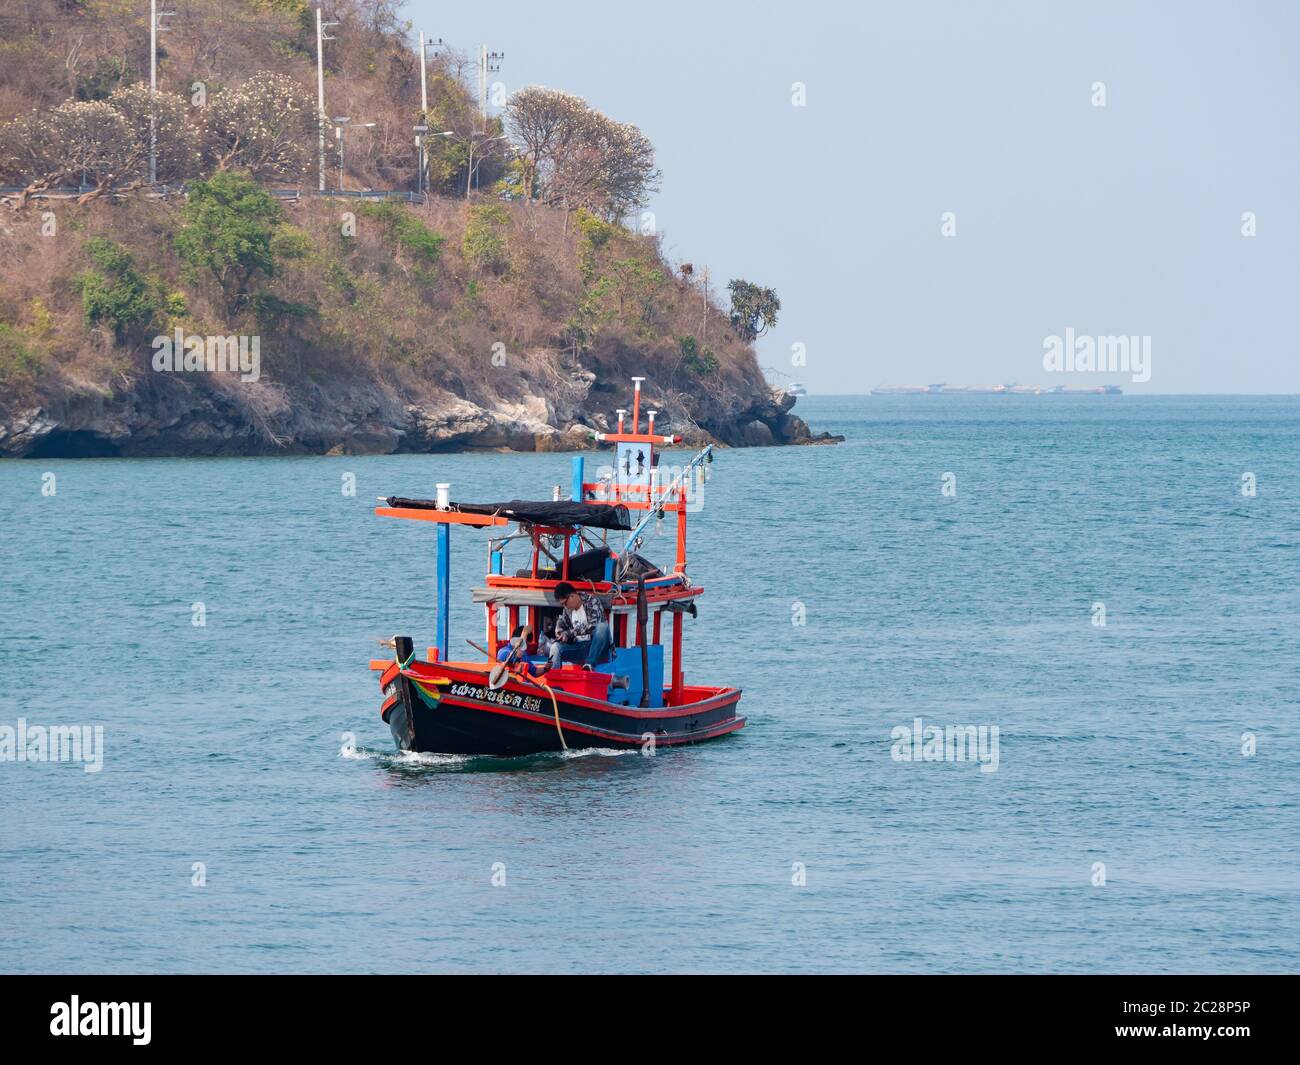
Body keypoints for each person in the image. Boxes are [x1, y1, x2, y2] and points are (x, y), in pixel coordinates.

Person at [548, 582, 612, 669]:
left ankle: (589, 665)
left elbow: (593, 626)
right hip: (579, 648)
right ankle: (554, 677)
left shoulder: (592, 601)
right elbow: (562, 625)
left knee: (602, 627)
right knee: (555, 647)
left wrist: (568, 633)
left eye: (565, 603)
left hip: (596, 648)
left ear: (572, 596)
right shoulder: (567, 611)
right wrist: (560, 633)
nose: (564, 606)